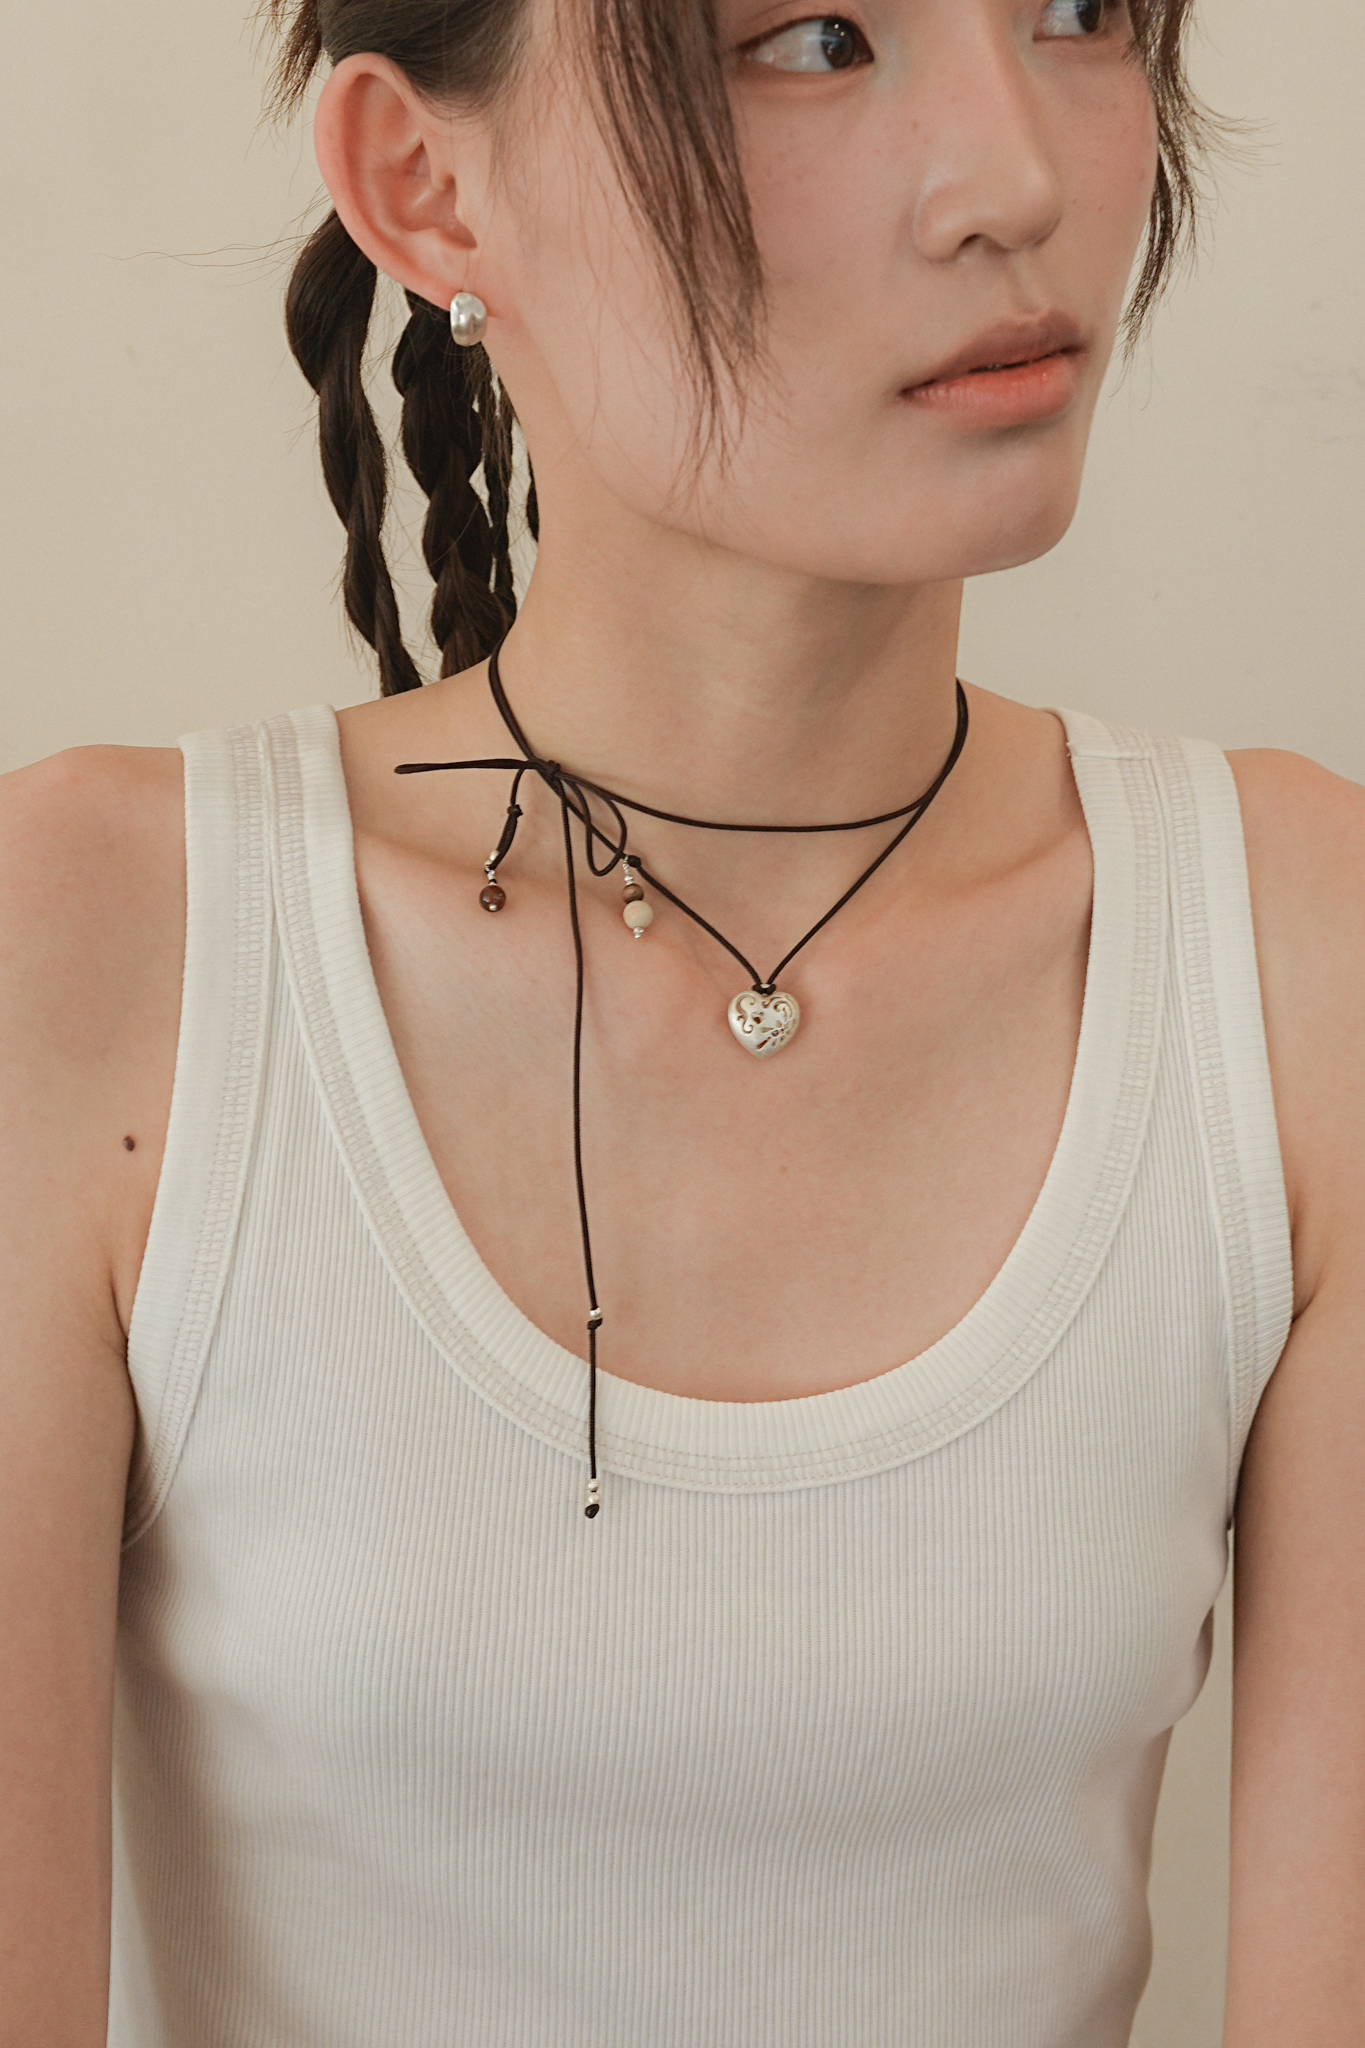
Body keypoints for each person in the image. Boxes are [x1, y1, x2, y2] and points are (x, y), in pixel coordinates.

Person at [2, 0, 1362, 2040]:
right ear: (424, 187)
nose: (1013, 183)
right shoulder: (100, 950)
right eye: (810, 40)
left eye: (1078, 12)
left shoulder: (1295, 959)